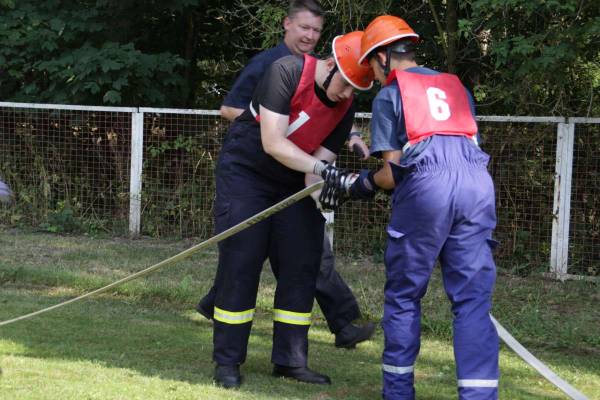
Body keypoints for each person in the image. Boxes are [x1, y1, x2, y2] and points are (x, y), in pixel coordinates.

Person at [321, 15, 500, 400]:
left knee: (404, 296)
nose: (370, 72)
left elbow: (392, 172)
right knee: (472, 302)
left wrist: (358, 185)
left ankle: (398, 393)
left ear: (383, 56)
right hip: (476, 185)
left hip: (428, 188)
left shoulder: (391, 94)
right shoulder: (456, 86)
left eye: (370, 62)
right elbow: (465, 145)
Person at [197, 0, 375, 350]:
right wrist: (275, 125)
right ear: (287, 25)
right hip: (253, 168)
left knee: (305, 254)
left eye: (316, 30)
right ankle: (228, 351)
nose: (310, 36)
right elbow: (233, 111)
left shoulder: (340, 99)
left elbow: (317, 165)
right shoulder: (275, 66)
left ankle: (295, 356)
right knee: (244, 254)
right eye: (304, 28)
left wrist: (336, 188)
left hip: (294, 174)